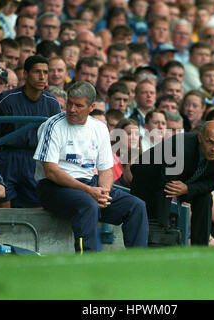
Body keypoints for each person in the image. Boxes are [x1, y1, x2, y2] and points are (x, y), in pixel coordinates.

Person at [33, 81, 149, 253]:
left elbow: (106, 170)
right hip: (54, 187)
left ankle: (138, 263)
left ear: (92, 107)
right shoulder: (53, 125)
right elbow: (51, 171)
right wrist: (89, 191)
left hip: (89, 184)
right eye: (70, 103)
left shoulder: (99, 128)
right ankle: (87, 261)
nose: (72, 109)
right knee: (88, 204)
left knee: (136, 206)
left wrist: (104, 192)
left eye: (78, 105)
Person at [131, 120, 214, 246]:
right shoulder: (180, 146)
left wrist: (188, 189)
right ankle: (158, 244)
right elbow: (167, 184)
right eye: (210, 142)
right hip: (149, 177)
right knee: (166, 192)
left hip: (184, 180)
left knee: (205, 198)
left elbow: (211, 183)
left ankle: (200, 249)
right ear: (200, 137)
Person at [0, 55, 61, 208]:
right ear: (25, 74)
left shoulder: (52, 103)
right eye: (37, 72)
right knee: (4, 209)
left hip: (35, 160)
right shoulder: (7, 99)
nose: (42, 76)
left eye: (45, 72)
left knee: (36, 209)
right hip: (6, 159)